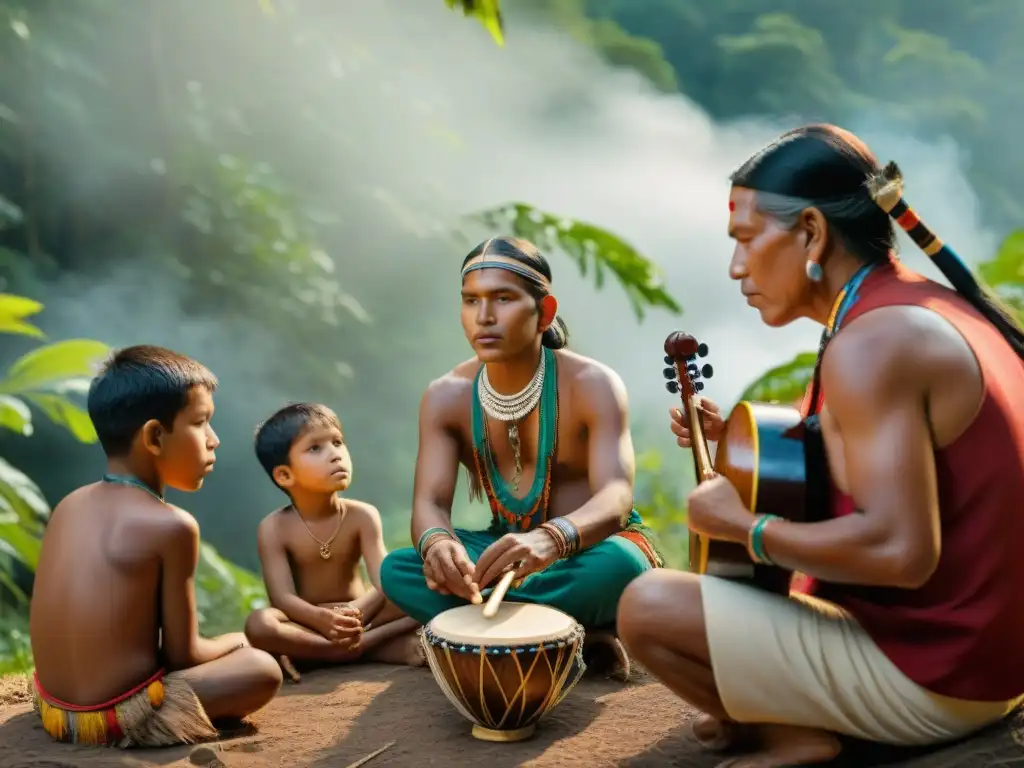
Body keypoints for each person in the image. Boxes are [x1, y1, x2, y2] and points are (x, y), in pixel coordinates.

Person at [616, 123, 1024, 768]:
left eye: (747, 239)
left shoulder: (875, 343)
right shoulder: (914, 307)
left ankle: (793, 736)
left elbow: (901, 552)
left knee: (648, 606)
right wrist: (741, 446)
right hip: (985, 659)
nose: (735, 267)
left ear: (810, 231)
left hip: (942, 678)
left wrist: (746, 527)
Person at [379, 236, 663, 647]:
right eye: (471, 300)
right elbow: (430, 503)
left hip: (584, 555)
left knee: (618, 567)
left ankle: (492, 626)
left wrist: (550, 539)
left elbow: (617, 497)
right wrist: (438, 544)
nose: (484, 316)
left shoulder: (593, 384)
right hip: (502, 554)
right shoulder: (446, 396)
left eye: (503, 299)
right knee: (399, 569)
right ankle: (565, 631)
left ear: (544, 312)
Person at [28, 345, 283, 749]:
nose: (214, 440)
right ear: (154, 436)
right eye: (201, 423)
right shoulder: (172, 525)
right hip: (116, 715)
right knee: (260, 668)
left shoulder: (68, 505)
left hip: (54, 709)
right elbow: (185, 656)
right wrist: (240, 640)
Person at [243, 403, 423, 679]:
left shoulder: (362, 515)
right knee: (260, 624)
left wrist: (352, 613)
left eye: (338, 442)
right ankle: (359, 648)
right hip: (309, 623)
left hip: (362, 616)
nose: (336, 455)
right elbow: (282, 598)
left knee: (424, 586)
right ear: (284, 475)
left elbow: (385, 581)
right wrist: (323, 620)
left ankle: (331, 651)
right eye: (315, 448)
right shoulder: (274, 528)